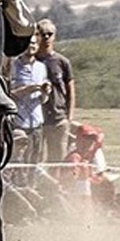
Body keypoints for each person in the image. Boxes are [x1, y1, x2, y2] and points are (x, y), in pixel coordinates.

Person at [5, 36, 49, 185]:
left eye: (35, 43)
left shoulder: (41, 67)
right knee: (18, 162)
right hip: (19, 123)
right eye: (29, 43)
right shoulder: (13, 66)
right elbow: (8, 94)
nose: (32, 46)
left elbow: (43, 99)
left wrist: (44, 93)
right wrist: (28, 89)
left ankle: (32, 188)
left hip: (37, 122)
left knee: (34, 161)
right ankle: (17, 189)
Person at [33, 19, 75, 163]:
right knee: (35, 156)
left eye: (49, 34)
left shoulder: (62, 62)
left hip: (58, 117)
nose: (46, 38)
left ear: (54, 36)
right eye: (42, 34)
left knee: (58, 157)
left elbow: (70, 91)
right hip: (37, 118)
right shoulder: (31, 61)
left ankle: (58, 185)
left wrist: (69, 117)